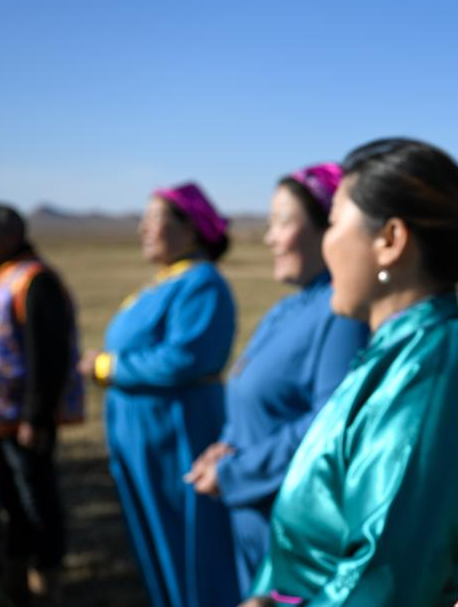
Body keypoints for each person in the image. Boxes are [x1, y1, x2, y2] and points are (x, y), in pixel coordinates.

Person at [239, 138, 458, 606]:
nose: (326, 242)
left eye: (335, 222)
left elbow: (385, 583)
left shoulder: (433, 374)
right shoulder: (404, 350)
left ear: (390, 240)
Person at [184, 163, 368, 597]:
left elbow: (328, 426)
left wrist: (234, 471)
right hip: (252, 512)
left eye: (283, 222)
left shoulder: (338, 315)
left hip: (288, 529)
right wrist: (224, 448)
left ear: (328, 228)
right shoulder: (287, 308)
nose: (269, 238)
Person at [78, 182, 240, 607]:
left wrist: (107, 367)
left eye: (154, 220)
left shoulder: (201, 284)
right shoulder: (164, 282)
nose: (142, 229)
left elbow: (186, 358)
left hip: (176, 435)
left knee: (188, 539)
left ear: (191, 229)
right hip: (143, 436)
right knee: (155, 536)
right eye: (142, 220)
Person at [0, 204, 84, 605]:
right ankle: (16, 577)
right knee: (13, 504)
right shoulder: (0, 275)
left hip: (24, 420)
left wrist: (35, 418)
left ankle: (47, 581)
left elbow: (47, 355)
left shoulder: (36, 280)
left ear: (12, 234)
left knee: (37, 500)